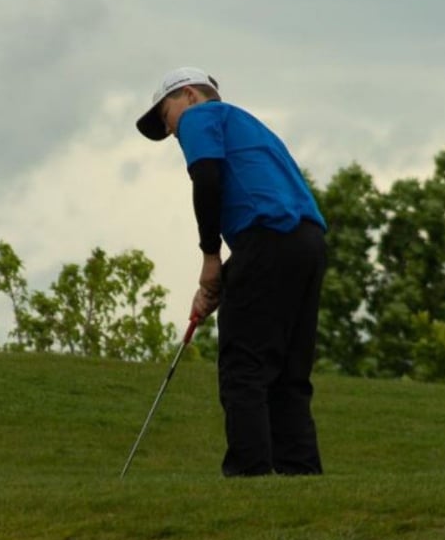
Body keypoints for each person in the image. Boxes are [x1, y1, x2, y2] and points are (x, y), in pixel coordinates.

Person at [136, 67, 326, 477]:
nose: (170, 131)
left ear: (187, 95)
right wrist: (225, 274)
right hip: (308, 243)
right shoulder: (252, 126)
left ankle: (249, 474)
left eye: (165, 115)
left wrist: (210, 257)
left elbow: (207, 177)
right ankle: (301, 476)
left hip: (266, 238)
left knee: (244, 366)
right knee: (289, 373)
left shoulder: (201, 116)